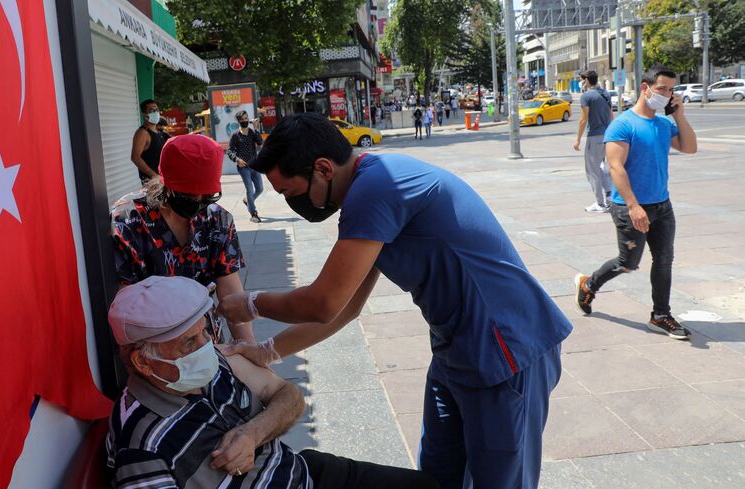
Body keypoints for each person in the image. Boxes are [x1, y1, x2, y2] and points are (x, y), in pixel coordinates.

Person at [216, 113, 572, 489]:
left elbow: (323, 302)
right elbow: (346, 307)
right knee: (437, 478)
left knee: (499, 481)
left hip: (505, 349)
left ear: (322, 169)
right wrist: (268, 350)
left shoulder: (376, 188)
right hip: (457, 350)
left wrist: (250, 303)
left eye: (290, 192)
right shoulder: (368, 188)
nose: (292, 203)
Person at [106, 275, 441, 489]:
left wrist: (253, 433)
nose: (207, 346)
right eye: (188, 343)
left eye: (205, 331)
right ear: (142, 361)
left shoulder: (217, 362)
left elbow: (289, 395)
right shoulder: (142, 445)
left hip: (304, 472)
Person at [575, 66, 698, 339]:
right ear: (645, 88)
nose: (667, 95)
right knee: (628, 262)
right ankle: (589, 285)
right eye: (662, 89)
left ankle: (660, 315)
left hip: (662, 205)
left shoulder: (665, 124)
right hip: (629, 207)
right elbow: (616, 167)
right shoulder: (623, 124)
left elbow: (690, 147)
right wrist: (633, 206)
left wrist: (679, 114)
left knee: (664, 260)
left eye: (671, 90)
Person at [111, 134, 255, 343]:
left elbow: (230, 293)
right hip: (152, 345)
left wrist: (250, 348)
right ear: (166, 182)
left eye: (207, 197)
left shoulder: (217, 219)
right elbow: (125, 307)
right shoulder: (129, 221)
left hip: (204, 339)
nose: (197, 203)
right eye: (187, 196)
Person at [573, 70, 614, 213]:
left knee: (592, 170)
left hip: (594, 136)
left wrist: (577, 139)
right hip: (607, 135)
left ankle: (600, 203)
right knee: (601, 167)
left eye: (581, 80)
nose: (580, 83)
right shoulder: (605, 93)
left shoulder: (586, 96)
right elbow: (611, 115)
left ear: (586, 81)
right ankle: (609, 198)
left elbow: (583, 119)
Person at [227, 110, 264, 223]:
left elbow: (260, 142)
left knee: (260, 188)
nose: (244, 120)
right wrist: (237, 159)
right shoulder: (235, 135)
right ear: (238, 121)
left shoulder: (252, 133)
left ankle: (247, 201)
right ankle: (253, 213)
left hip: (254, 165)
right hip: (243, 168)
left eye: (246, 118)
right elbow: (229, 151)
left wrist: (257, 128)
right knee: (249, 189)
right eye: (242, 119)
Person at [131, 99, 170, 183]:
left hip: (164, 180)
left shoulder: (160, 132)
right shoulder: (142, 133)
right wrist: (154, 176)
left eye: (157, 110)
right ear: (145, 114)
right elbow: (135, 157)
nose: (156, 113)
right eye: (152, 110)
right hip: (153, 184)